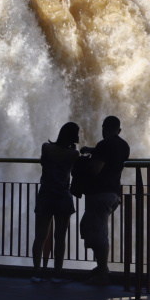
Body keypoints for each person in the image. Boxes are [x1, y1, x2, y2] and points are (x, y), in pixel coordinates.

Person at [79, 116, 130, 285]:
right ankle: (102, 267)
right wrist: (93, 150)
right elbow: (111, 156)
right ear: (119, 130)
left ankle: (102, 273)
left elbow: (96, 168)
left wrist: (81, 164)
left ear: (104, 129)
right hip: (114, 193)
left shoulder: (104, 145)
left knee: (98, 232)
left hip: (99, 194)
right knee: (89, 227)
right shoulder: (124, 146)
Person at [31, 122, 80, 282]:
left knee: (40, 236)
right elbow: (75, 170)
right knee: (60, 237)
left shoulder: (46, 147)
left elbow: (43, 163)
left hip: (46, 193)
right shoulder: (74, 154)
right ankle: (57, 272)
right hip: (62, 196)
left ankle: (36, 271)